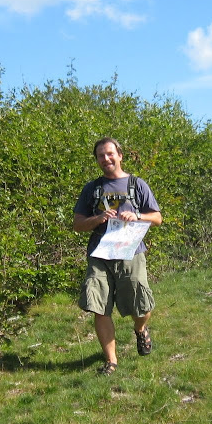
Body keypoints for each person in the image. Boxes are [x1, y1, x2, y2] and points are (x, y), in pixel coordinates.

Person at [73, 137, 162, 375]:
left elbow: (157, 218)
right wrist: (98, 218)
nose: (106, 159)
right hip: (99, 254)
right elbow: (78, 224)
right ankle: (111, 361)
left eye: (110, 154)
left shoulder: (137, 184)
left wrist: (137, 216)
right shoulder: (91, 189)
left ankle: (140, 329)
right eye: (101, 156)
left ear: (120, 155)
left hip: (131, 252)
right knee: (99, 306)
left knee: (141, 306)